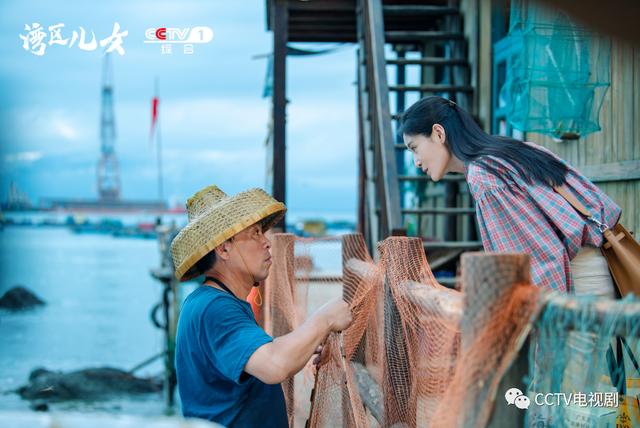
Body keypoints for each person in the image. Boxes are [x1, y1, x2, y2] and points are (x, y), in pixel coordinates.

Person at [399, 96, 623, 398]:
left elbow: (541, 259)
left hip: (571, 285)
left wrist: (544, 332)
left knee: (567, 403)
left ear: (438, 134)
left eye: (414, 148)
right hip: (590, 271)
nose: (415, 161)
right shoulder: (509, 151)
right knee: (583, 398)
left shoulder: (484, 176)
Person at [171, 185, 352, 427]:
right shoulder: (214, 308)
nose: (266, 242)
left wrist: (309, 344)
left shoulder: (210, 302)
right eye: (255, 233)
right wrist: (324, 319)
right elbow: (274, 364)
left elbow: (263, 357)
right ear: (224, 248)